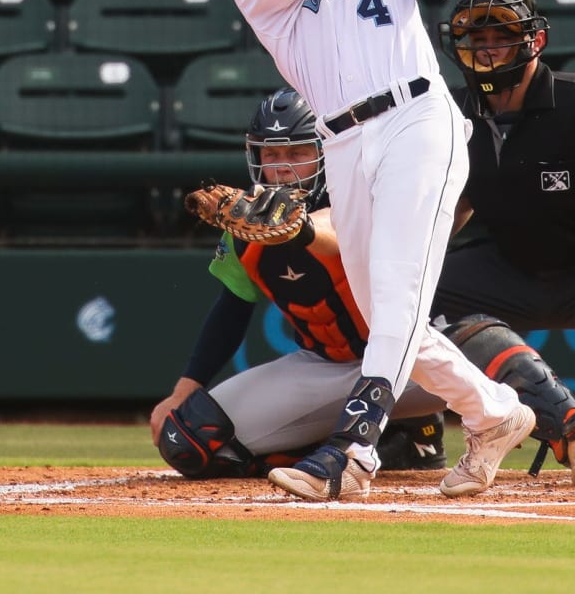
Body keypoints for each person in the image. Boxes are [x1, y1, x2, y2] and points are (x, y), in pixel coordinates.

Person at [186, 0, 534, 502]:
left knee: (399, 293)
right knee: (385, 316)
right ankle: (495, 413)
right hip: (342, 141)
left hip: (417, 119)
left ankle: (351, 450)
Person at [149, 86, 448, 478]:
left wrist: (298, 228)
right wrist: (183, 389)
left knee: (492, 352)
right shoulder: (246, 225)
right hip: (322, 367)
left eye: (298, 153)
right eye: (271, 155)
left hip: (413, 362)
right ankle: (394, 440)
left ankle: (547, 417)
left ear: (326, 153)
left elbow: (338, 232)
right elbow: (232, 309)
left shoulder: (367, 193)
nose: (283, 169)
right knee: (186, 439)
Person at [433, 0, 575, 332]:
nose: (488, 50)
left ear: (536, 42)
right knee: (410, 292)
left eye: (501, 37)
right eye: (479, 40)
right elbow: (457, 203)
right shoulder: (449, 112)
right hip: (508, 270)